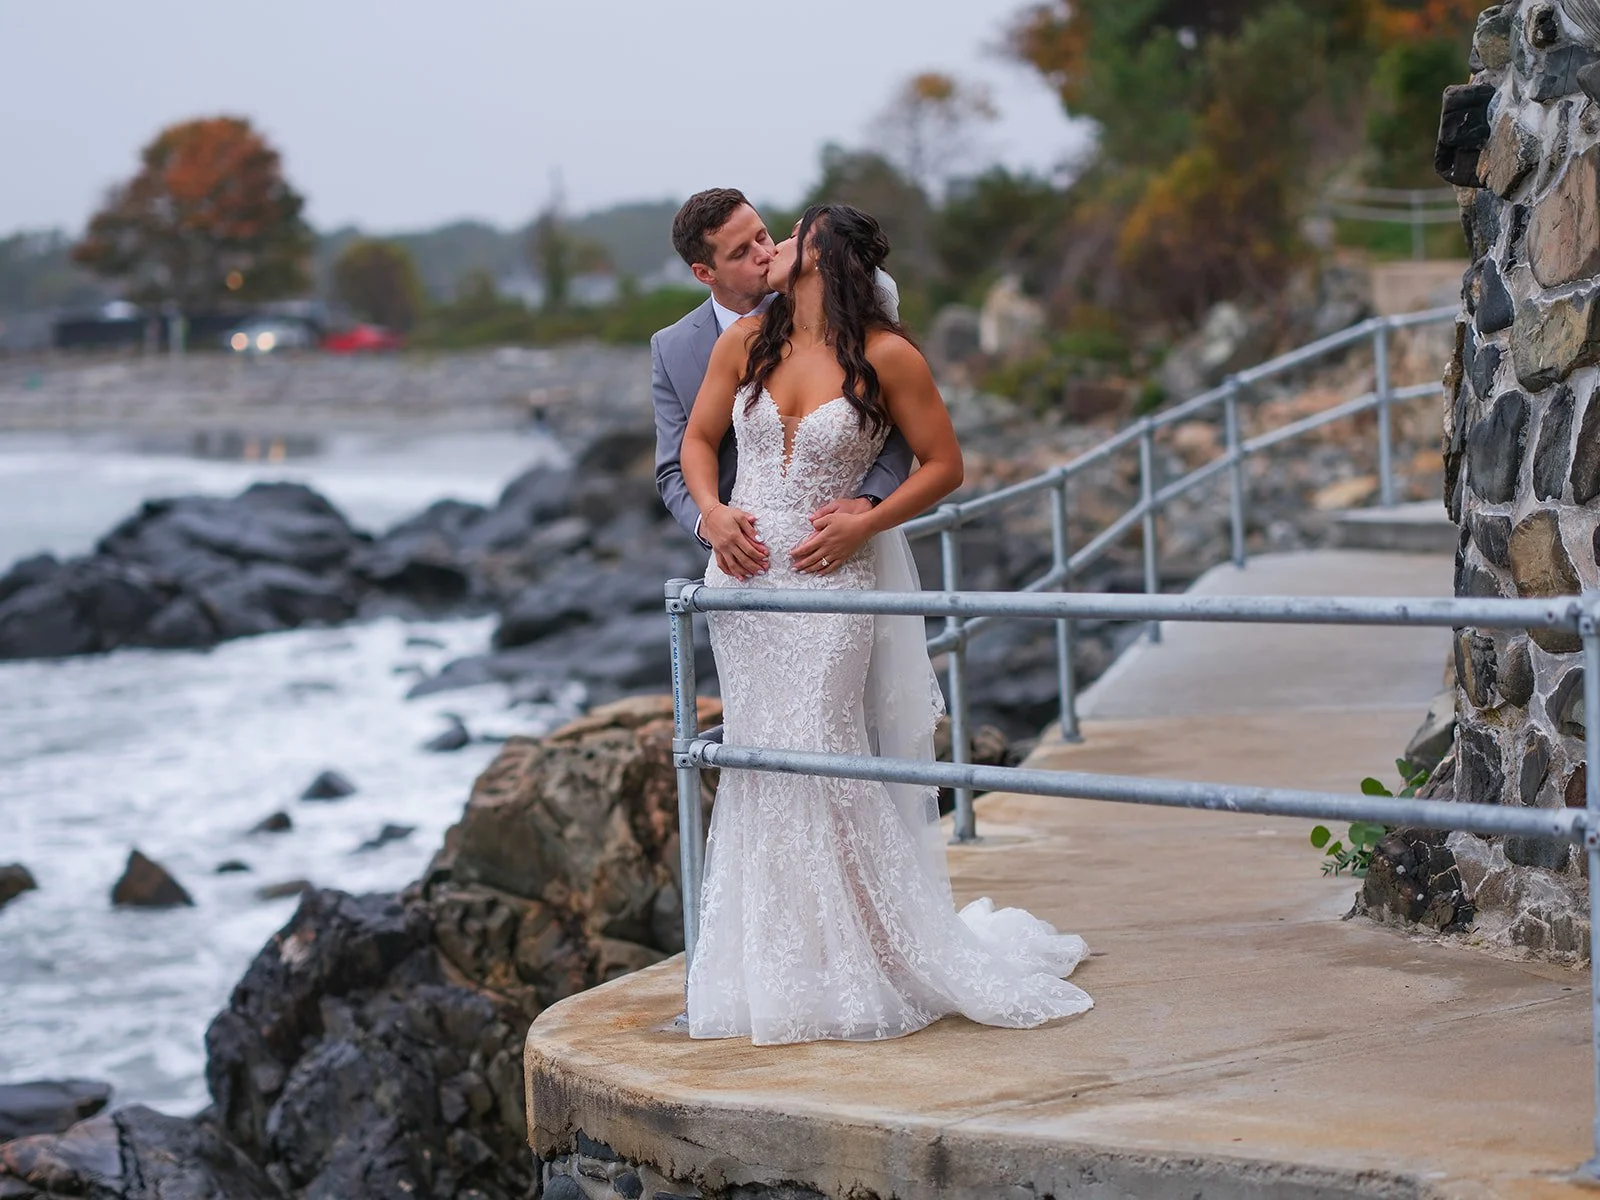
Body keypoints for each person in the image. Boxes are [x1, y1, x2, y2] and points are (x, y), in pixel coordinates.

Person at [678, 203, 1093, 1044]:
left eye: (792, 234)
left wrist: (866, 520)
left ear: (825, 258)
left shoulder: (887, 356)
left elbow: (945, 465)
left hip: (833, 587)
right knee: (763, 764)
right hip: (746, 591)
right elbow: (695, 439)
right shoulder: (743, 345)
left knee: (826, 757)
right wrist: (714, 513)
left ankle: (871, 952)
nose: (776, 245)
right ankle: (777, 962)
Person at [651, 188, 912, 580]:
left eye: (762, 236)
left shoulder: (828, 305)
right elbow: (673, 464)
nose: (764, 253)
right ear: (706, 273)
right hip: (739, 562)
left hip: (834, 552)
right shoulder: (671, 347)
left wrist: (867, 502)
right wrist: (710, 523)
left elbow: (901, 426)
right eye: (740, 253)